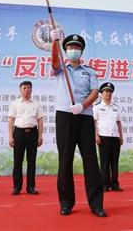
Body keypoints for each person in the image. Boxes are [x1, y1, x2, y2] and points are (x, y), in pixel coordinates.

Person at [49, 30, 106, 217]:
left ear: (81, 52)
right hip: (64, 116)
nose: (73, 50)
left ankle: (96, 204)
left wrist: (82, 105)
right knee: (65, 160)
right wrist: (55, 42)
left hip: (84, 116)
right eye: (70, 47)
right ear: (66, 50)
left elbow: (95, 92)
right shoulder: (61, 69)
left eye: (77, 48)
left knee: (90, 160)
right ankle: (66, 203)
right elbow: (54, 62)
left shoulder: (89, 71)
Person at [8, 80, 44, 195]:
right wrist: (10, 136)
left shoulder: (36, 104)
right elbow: (11, 120)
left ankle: (31, 187)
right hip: (18, 133)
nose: (26, 90)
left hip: (32, 133)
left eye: (28, 88)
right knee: (18, 161)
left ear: (31, 90)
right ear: (20, 90)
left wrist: (40, 136)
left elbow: (40, 120)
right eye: (24, 88)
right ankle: (17, 186)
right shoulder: (15, 104)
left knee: (31, 161)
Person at [93, 82, 124, 192]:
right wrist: (96, 136)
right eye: (106, 91)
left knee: (114, 161)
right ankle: (105, 184)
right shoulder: (97, 107)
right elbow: (94, 122)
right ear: (101, 93)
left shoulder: (116, 107)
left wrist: (121, 136)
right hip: (103, 136)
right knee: (105, 162)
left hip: (114, 137)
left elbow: (119, 122)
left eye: (110, 92)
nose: (108, 94)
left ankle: (115, 184)